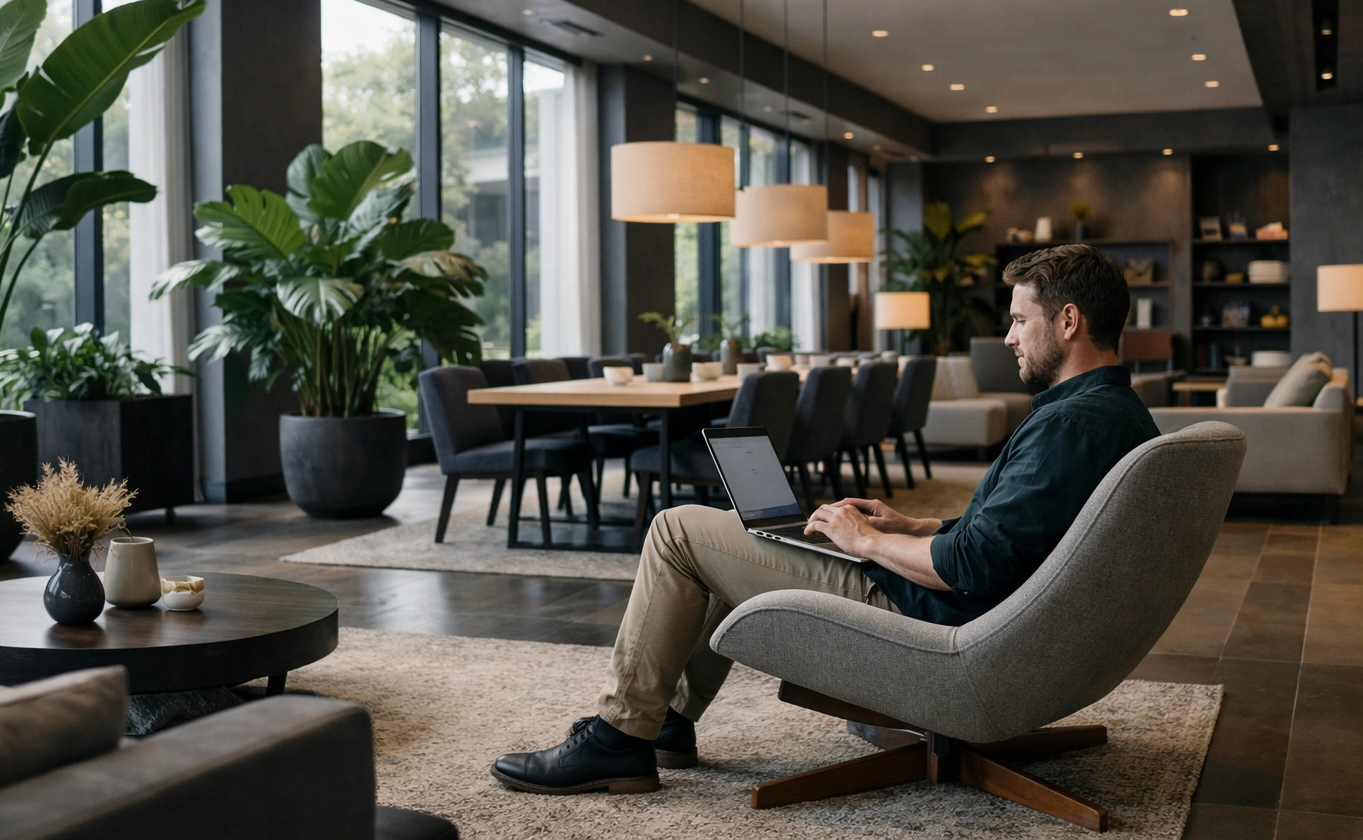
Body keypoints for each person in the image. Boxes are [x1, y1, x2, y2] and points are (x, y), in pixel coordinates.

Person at [490, 244, 1160, 795]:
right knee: (739, 539)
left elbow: (974, 566)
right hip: (978, 609)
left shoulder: (1070, 425)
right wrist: (912, 525)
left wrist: (863, 541)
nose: (1009, 337)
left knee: (676, 531)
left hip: (933, 617)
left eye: (1020, 319)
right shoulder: (1111, 413)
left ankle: (618, 737)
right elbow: (1016, 535)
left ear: (1068, 321)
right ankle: (662, 721)